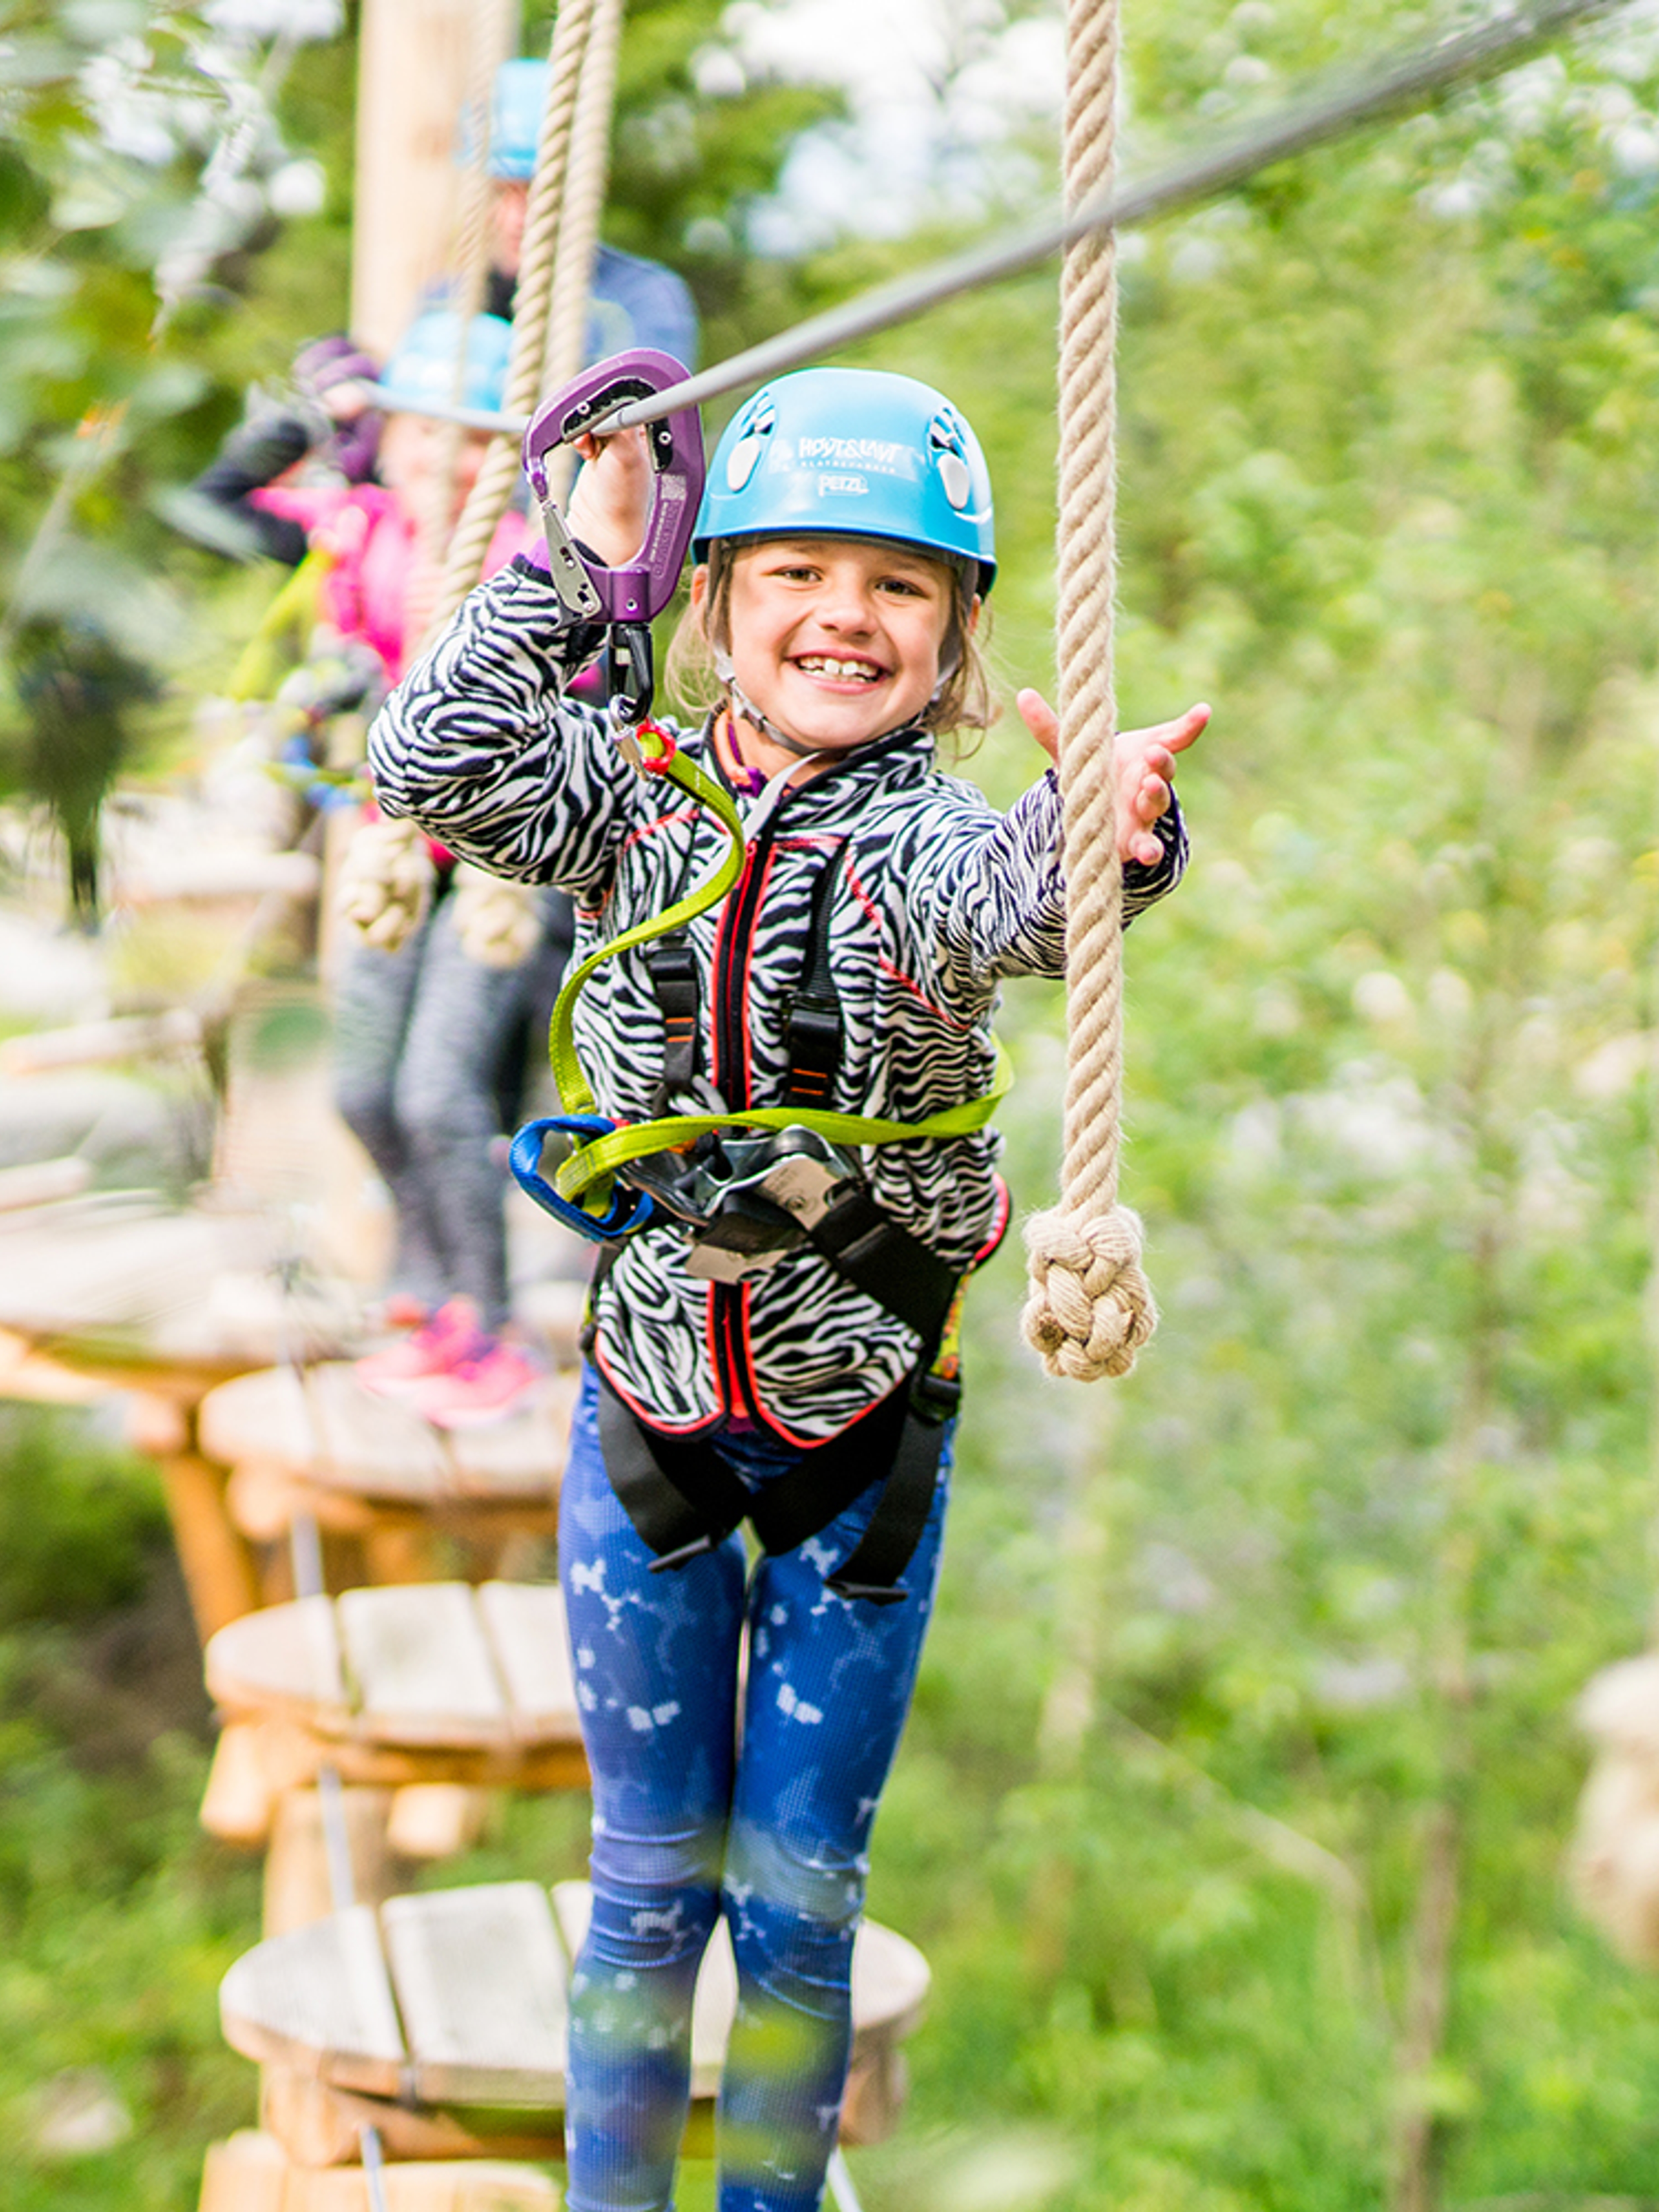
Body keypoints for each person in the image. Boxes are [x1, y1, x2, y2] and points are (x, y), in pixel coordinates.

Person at [368, 365, 1207, 2206]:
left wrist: (1110, 830)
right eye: (799, 574)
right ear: (721, 601)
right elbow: (426, 761)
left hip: (858, 1448)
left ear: (957, 631)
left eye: (899, 586)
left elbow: (1021, 903)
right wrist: (575, 571)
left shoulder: (926, 845)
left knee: (802, 1910)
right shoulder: (631, 807)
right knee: (647, 1885)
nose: (845, 613)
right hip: (651, 1420)